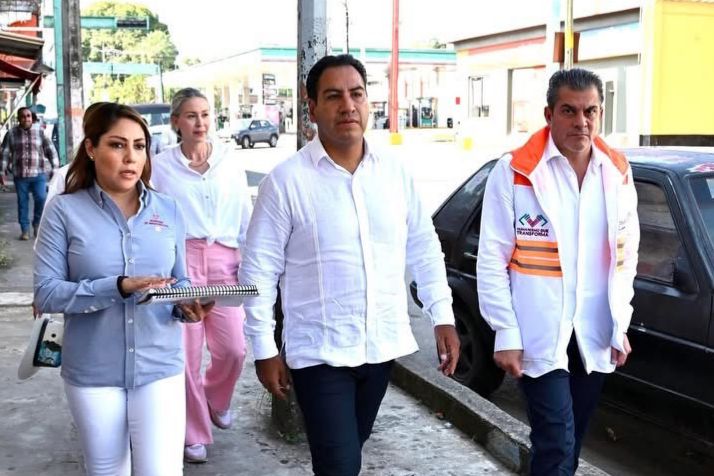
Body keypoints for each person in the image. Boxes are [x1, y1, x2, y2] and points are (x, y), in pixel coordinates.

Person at [239, 54, 460, 476]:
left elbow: (424, 247)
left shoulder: (394, 175)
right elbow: (259, 272)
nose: (348, 105)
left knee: (349, 452)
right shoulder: (286, 182)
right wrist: (263, 349)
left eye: (356, 94)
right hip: (319, 351)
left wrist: (442, 315)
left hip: (380, 347)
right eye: (333, 96)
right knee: (339, 465)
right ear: (312, 107)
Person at [33, 102, 212, 475]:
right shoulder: (63, 211)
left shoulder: (169, 209)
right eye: (117, 145)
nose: (131, 157)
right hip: (93, 371)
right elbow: (47, 293)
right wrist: (117, 287)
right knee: (106, 470)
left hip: (159, 366)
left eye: (139, 146)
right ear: (91, 148)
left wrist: (185, 304)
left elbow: (180, 279)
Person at [476, 68, 639, 476]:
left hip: (592, 331)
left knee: (571, 442)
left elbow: (626, 257)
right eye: (569, 110)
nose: (581, 121)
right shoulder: (515, 172)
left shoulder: (617, 173)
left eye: (590, 111)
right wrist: (505, 331)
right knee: (556, 441)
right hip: (538, 331)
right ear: (549, 114)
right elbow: (491, 259)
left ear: (601, 114)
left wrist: (620, 322)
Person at [151, 87, 253, 464]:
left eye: (206, 114)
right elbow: (152, 218)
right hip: (182, 262)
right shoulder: (160, 166)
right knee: (186, 354)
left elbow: (244, 214)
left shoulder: (229, 161)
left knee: (234, 349)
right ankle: (193, 431)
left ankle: (216, 397)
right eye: (192, 115)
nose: (200, 122)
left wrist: (250, 261)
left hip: (225, 261)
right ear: (176, 121)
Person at [1, 107, 59, 240]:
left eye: (28, 116)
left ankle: (37, 223)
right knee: (22, 202)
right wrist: (2, 171)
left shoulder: (40, 132)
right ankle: (25, 230)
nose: (26, 119)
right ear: (18, 119)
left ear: (31, 118)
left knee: (41, 198)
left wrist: (55, 168)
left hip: (38, 173)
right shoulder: (11, 133)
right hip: (20, 175)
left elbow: (51, 150)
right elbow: (5, 152)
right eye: (23, 116)